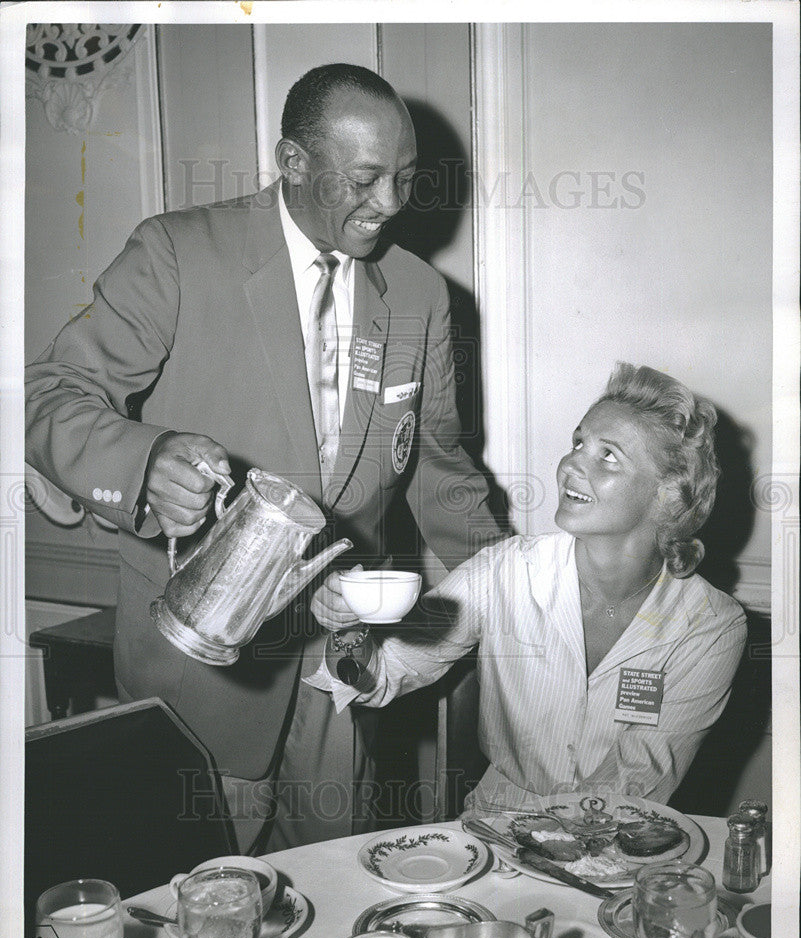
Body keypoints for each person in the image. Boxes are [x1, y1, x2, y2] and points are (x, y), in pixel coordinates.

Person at [25, 64, 503, 850]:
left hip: (339, 673)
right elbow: (48, 390)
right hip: (197, 679)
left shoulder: (419, 292)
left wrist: (526, 589)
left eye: (405, 178)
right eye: (364, 178)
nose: (389, 203)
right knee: (201, 913)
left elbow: (442, 471)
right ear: (291, 162)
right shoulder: (178, 252)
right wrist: (144, 463)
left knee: (333, 896)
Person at [310, 364, 748, 809]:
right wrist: (350, 629)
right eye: (578, 442)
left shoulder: (710, 626)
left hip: (624, 842)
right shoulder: (506, 571)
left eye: (608, 455)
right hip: (497, 831)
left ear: (668, 495)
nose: (571, 463)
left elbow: (639, 785)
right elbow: (380, 674)